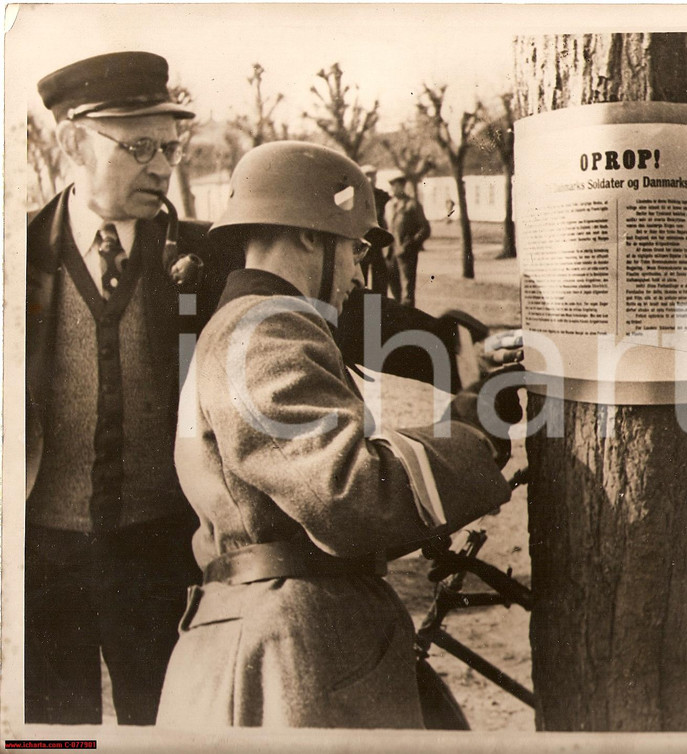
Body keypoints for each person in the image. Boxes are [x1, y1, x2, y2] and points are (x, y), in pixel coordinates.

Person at [156, 142, 519, 728]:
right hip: (295, 650)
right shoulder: (267, 330)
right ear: (307, 236)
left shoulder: (249, 321)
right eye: (354, 248)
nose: (356, 270)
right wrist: (477, 427)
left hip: (280, 630)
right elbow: (351, 494)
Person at [24, 51, 228, 724]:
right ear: (69, 144)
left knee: (165, 724)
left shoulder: (201, 255)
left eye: (170, 147)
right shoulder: (16, 254)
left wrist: (458, 345)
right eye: (139, 147)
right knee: (52, 731)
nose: (164, 167)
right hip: (38, 558)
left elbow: (313, 310)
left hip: (159, 556)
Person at [385, 171, 431, 307]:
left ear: (402, 186)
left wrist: (410, 244)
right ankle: (401, 316)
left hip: (406, 253)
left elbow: (425, 229)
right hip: (390, 252)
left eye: (395, 185)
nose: (392, 188)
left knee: (407, 290)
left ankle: (408, 318)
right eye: (391, 185)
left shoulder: (412, 205)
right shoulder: (389, 205)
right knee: (394, 287)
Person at [358, 164, 391, 295]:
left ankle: (374, 313)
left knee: (379, 281)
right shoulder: (356, 196)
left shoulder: (383, 196)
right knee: (362, 279)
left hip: (378, 243)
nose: (371, 179)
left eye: (373, 176)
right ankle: (363, 313)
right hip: (362, 242)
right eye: (367, 176)